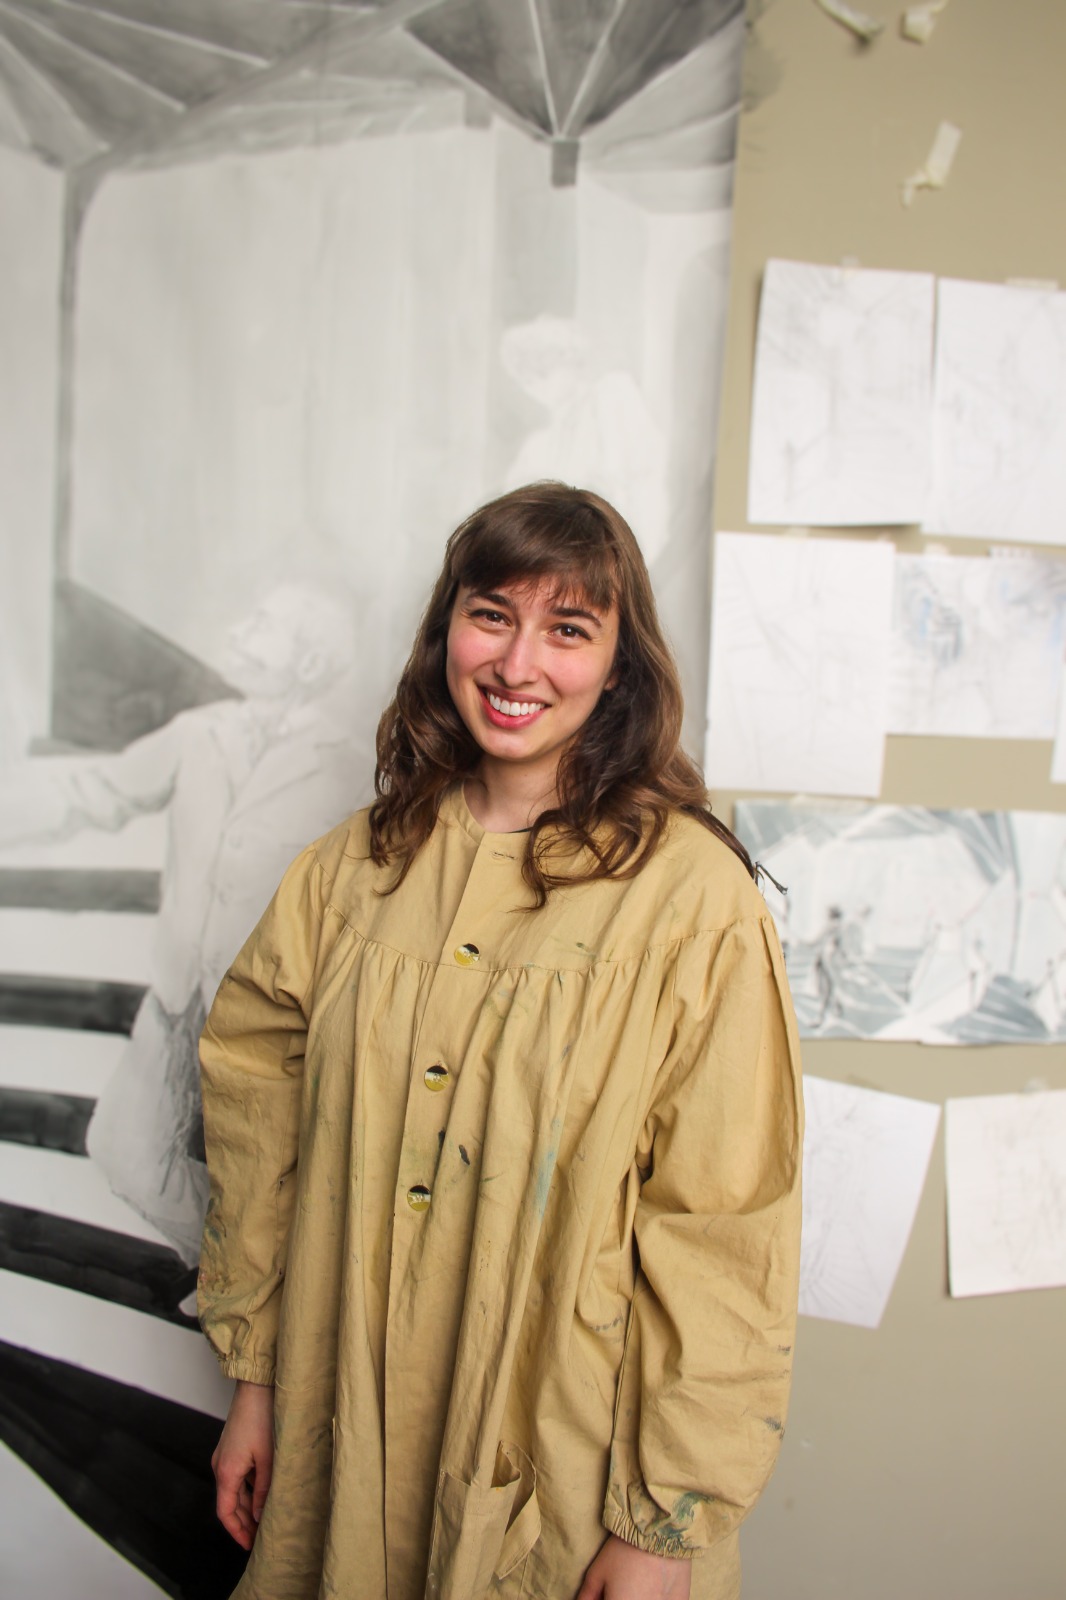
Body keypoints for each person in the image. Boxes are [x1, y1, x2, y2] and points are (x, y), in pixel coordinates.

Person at [198, 484, 803, 1600]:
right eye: (493, 615)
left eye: (568, 629)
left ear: (619, 665)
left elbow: (723, 1226)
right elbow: (250, 1113)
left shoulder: (691, 900)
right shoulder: (350, 872)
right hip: (341, 1438)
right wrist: (259, 1381)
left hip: (564, 1470)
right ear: (446, 634)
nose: (519, 663)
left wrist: (663, 1524)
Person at [0, 581, 372, 1262]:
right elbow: (95, 792)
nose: (237, 631)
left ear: (309, 663)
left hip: (269, 1021)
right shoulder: (201, 732)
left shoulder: (349, 767)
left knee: (262, 1176)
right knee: (123, 1153)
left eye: (261, 624)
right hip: (176, 997)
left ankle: (243, 1283)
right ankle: (223, 1267)